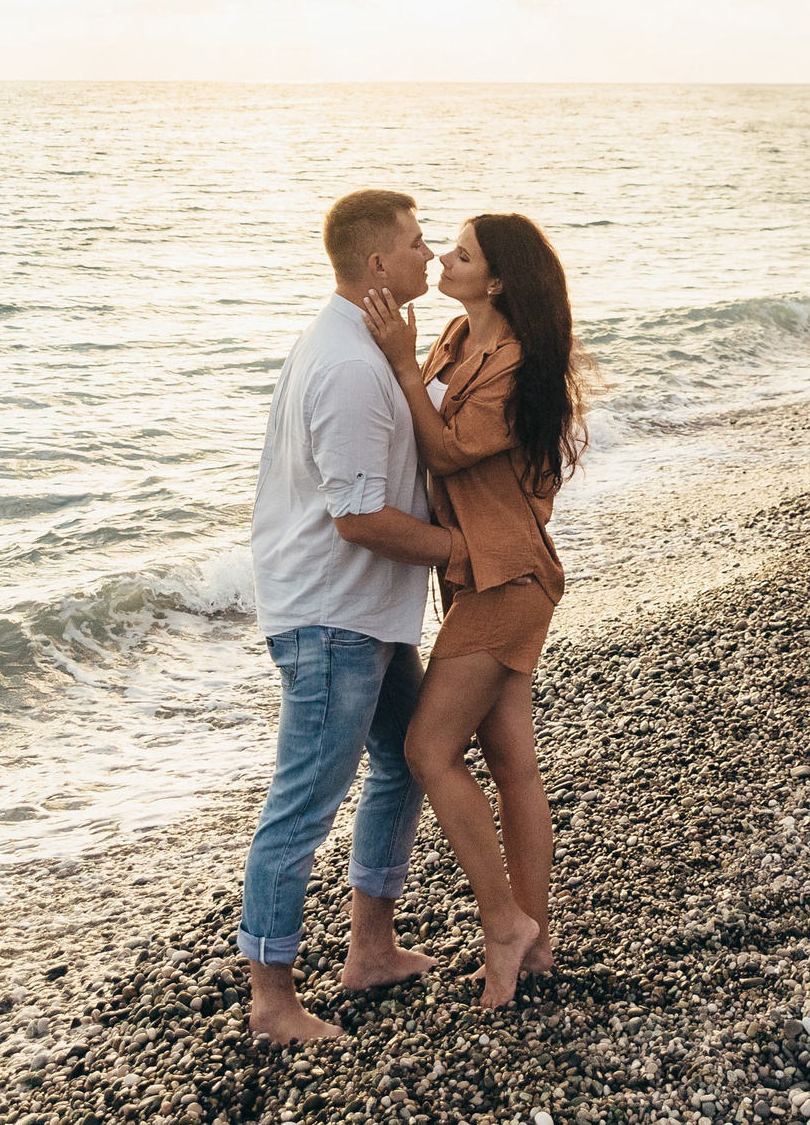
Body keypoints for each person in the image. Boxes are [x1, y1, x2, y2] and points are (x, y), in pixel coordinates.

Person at [237, 189, 461, 1043]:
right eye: (415, 242)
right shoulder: (349, 366)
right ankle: (272, 999)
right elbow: (360, 516)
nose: (427, 253)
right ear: (377, 265)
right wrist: (461, 551)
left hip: (365, 613)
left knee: (412, 756)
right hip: (330, 619)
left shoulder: (360, 342)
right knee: (303, 801)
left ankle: (370, 949)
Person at [360, 213, 587, 1009]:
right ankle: (538, 937)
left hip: (506, 577)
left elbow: (448, 449)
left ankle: (504, 926)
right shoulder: (458, 336)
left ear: (495, 279)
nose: (444, 260)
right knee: (510, 755)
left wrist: (394, 361)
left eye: (461, 254)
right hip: (480, 575)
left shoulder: (517, 361)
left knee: (427, 748)